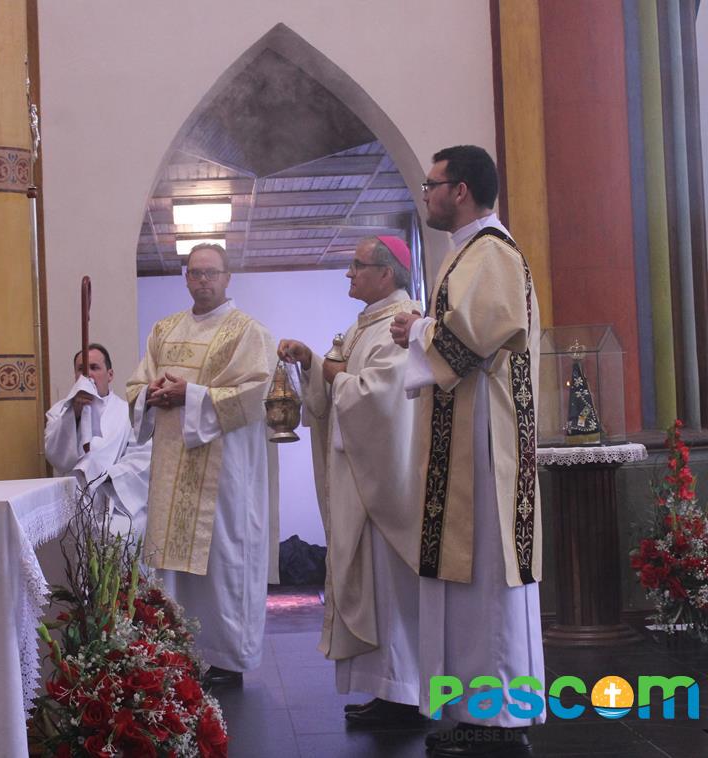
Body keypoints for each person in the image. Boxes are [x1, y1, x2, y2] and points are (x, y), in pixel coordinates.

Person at [390, 145, 543, 757]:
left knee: (486, 578)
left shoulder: (493, 251)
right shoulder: (470, 253)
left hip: (485, 444)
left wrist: (417, 331)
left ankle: (500, 717)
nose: (425, 194)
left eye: (431, 184)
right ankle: (477, 711)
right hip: (468, 434)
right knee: (470, 578)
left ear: (460, 190)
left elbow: (483, 334)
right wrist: (426, 331)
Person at [278, 235, 425, 728]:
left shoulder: (404, 325)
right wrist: (312, 362)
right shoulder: (365, 326)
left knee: (391, 588)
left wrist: (332, 370)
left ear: (386, 274)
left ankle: (406, 692)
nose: (349, 274)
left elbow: (380, 398)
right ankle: (385, 690)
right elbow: (339, 385)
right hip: (357, 475)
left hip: (385, 483)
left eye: (357, 266)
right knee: (369, 586)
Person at [127, 243, 275, 687]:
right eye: (195, 273)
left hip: (223, 478)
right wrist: (149, 394)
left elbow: (255, 395)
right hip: (170, 472)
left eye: (212, 273)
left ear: (228, 277)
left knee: (221, 562)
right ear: (186, 278)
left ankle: (225, 658)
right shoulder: (164, 330)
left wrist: (187, 395)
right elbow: (136, 383)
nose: (204, 281)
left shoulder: (249, 333)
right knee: (171, 568)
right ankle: (176, 654)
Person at [44, 343, 151, 535]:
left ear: (110, 375)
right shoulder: (59, 412)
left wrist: (107, 476)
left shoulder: (129, 413)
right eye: (81, 370)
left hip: (115, 501)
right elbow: (57, 458)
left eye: (94, 368)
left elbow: (141, 457)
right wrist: (74, 415)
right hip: (73, 505)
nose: (88, 376)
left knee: (124, 535)